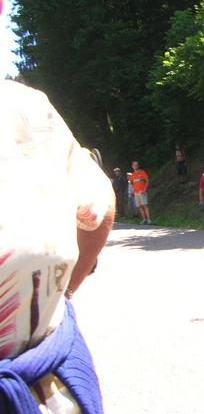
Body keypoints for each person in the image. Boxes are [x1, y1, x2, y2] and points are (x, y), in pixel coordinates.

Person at [0, 79, 114, 413]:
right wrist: (64, 287)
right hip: (44, 380)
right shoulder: (23, 103)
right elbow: (97, 205)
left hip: (35, 373)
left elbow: (98, 207)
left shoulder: (24, 102)